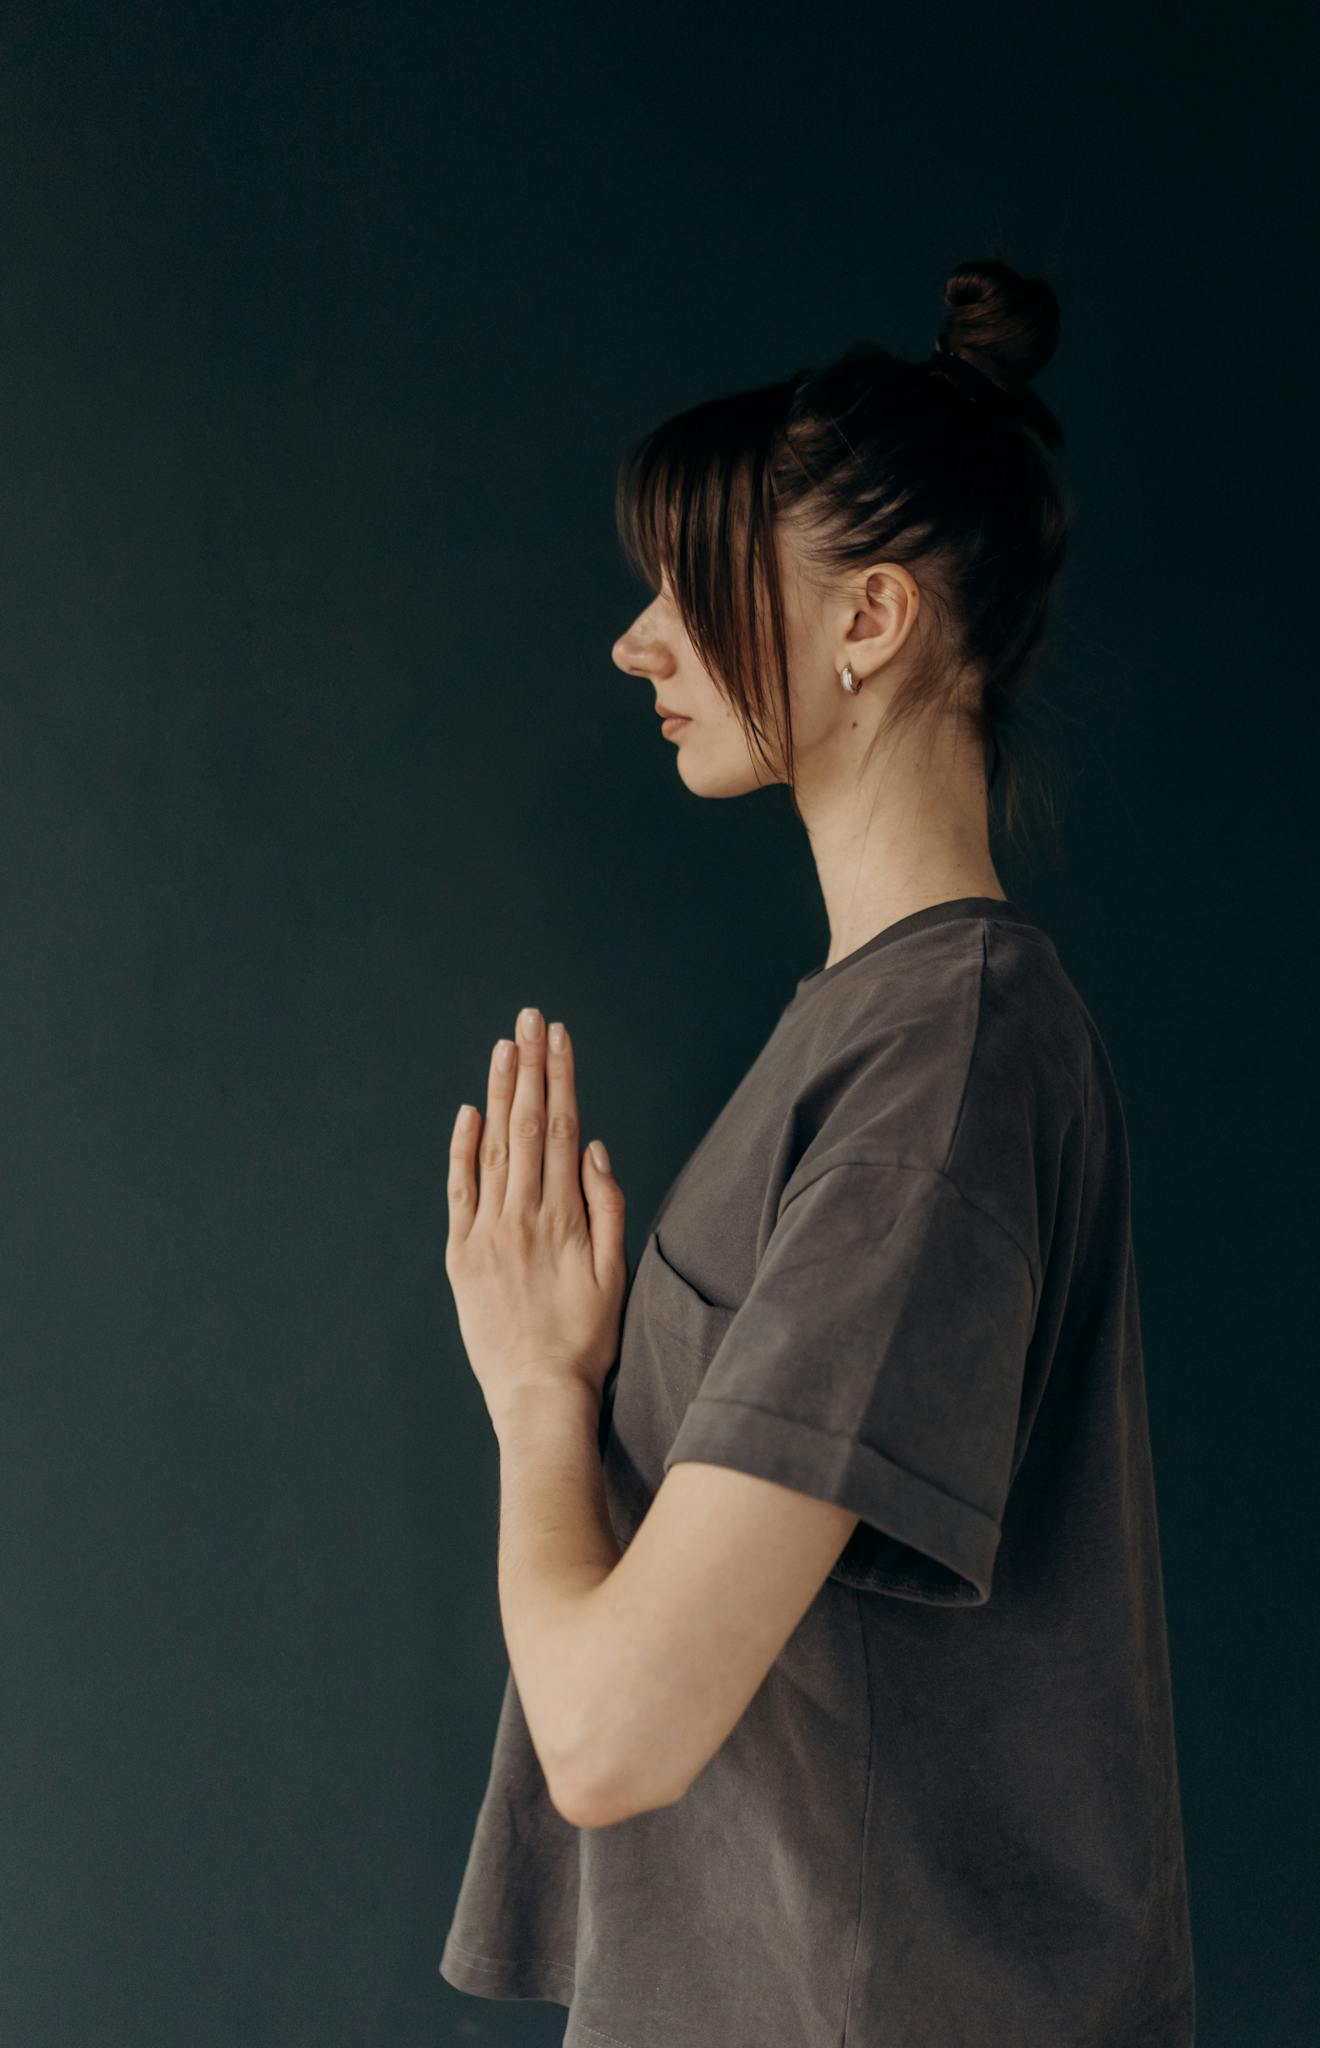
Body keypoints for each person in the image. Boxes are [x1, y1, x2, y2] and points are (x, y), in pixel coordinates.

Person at [437, 257, 1196, 2046]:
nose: (636, 640)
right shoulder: (884, 1033)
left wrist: (540, 1397)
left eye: (681, 591)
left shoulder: (945, 1059)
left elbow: (611, 1736)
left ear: (867, 623)